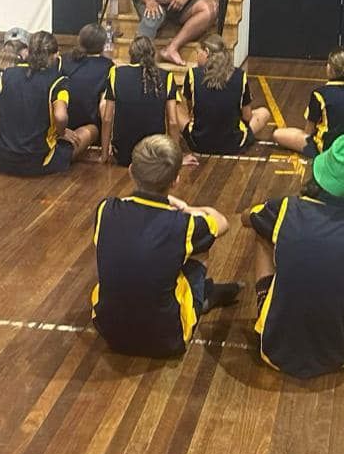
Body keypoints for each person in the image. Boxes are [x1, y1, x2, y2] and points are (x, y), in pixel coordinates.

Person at [245, 135, 344, 379]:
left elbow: (248, 218)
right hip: (342, 353)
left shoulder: (284, 209)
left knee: (263, 233)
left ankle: (264, 298)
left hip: (274, 347)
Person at [90, 134, 241, 358]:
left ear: (131, 171)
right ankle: (201, 298)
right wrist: (188, 207)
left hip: (108, 331)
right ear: (175, 180)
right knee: (199, 249)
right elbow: (222, 222)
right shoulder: (183, 224)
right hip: (167, 339)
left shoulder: (106, 209)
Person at [0, 31, 98, 176]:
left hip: (3, 159)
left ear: (29, 52)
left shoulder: (8, 74)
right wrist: (62, 132)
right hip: (40, 161)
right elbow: (60, 117)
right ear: (55, 55)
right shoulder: (58, 81)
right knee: (91, 130)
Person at [178, 34, 270, 160]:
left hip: (198, 143)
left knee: (176, 108)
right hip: (233, 144)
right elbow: (247, 116)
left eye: (197, 52)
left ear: (206, 52)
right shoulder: (240, 75)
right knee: (263, 113)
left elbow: (191, 110)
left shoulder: (193, 74)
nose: (196, 56)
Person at [272, 47, 344, 158]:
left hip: (327, 149)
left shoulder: (319, 94)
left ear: (329, 68)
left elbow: (308, 131)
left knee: (278, 134)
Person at [101, 36, 180, 167]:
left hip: (123, 154)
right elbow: (173, 122)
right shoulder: (166, 76)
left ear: (130, 53)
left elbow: (107, 118)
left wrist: (104, 154)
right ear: (153, 54)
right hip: (155, 154)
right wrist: (176, 158)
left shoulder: (116, 73)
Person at [60, 24, 112, 138]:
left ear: (80, 39)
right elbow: (105, 108)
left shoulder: (62, 59)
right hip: (89, 126)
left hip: (61, 124)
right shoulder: (108, 66)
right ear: (102, 45)